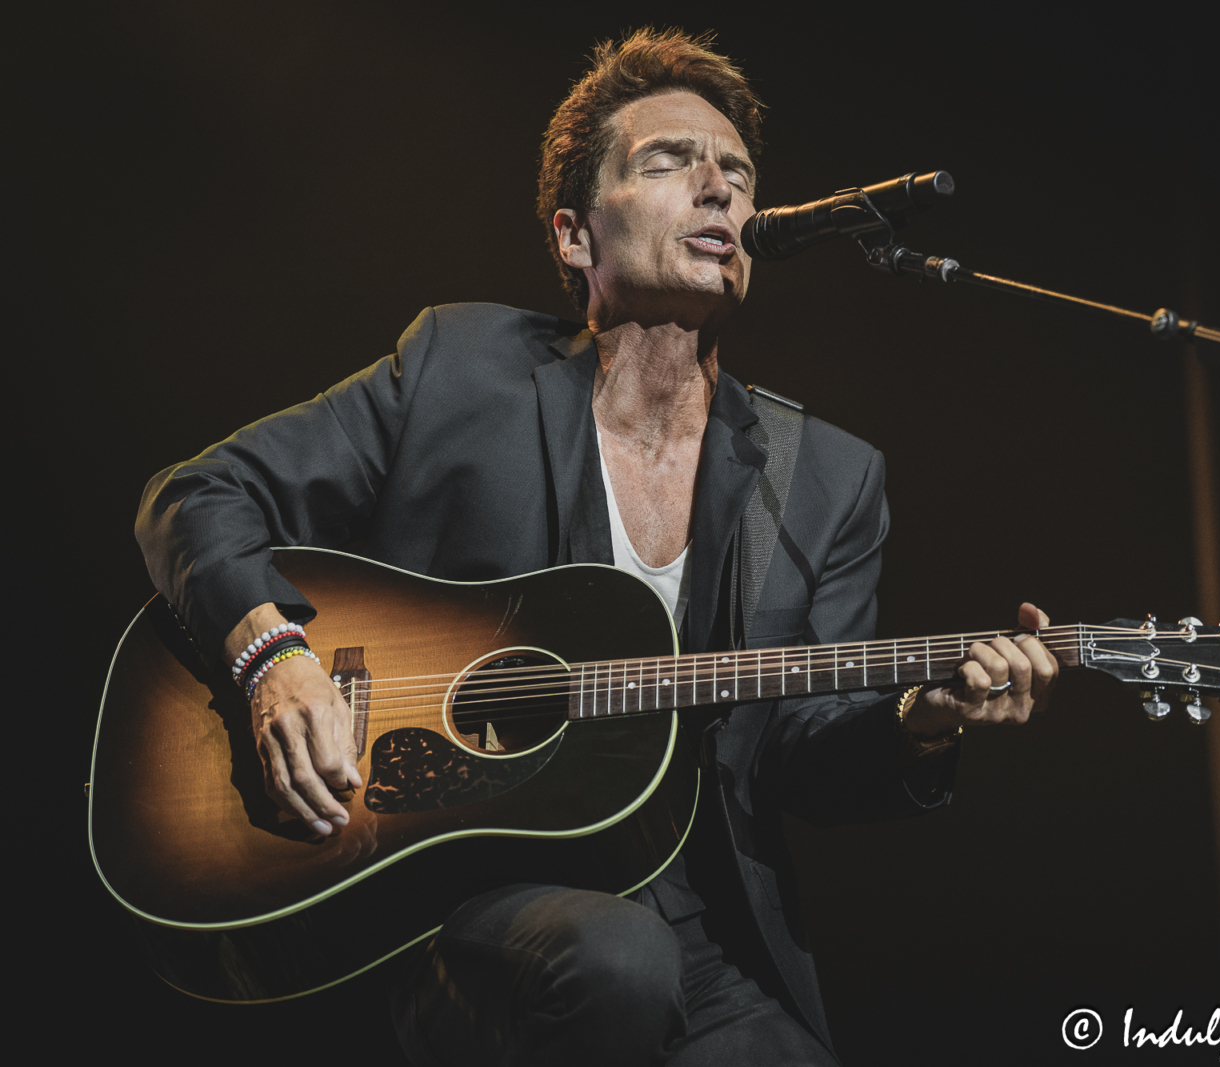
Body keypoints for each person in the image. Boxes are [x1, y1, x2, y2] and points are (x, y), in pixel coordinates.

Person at [135, 28, 1059, 1065]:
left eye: (739, 174)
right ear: (577, 236)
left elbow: (798, 750)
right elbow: (196, 493)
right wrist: (274, 656)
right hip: (436, 896)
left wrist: (920, 720)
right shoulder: (459, 367)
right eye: (670, 161)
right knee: (616, 960)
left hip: (688, 916)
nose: (719, 187)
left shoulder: (829, 475)